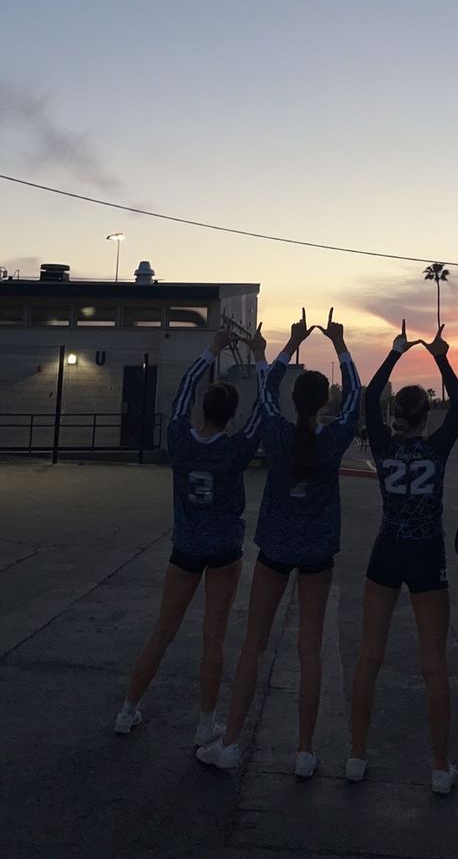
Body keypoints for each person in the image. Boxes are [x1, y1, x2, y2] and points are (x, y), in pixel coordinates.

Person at [197, 308, 361, 776]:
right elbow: (354, 401)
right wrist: (340, 345)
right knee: (310, 650)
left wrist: (281, 348)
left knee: (254, 644)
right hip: (317, 553)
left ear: (295, 398)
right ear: (322, 400)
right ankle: (305, 752)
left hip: (274, 549)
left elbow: (265, 390)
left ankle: (230, 742)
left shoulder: (274, 429)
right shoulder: (334, 439)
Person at [114, 325, 267, 743]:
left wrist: (210, 351)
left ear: (203, 408)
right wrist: (261, 358)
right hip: (223, 550)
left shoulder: (180, 440)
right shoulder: (235, 450)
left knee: (163, 630)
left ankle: (129, 709)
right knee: (213, 638)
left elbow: (183, 389)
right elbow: (264, 412)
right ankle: (205, 723)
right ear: (230, 415)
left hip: (185, 546)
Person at [348, 320, 458, 794]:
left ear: (397, 413)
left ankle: (356, 754)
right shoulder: (436, 448)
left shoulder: (382, 444)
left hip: (386, 548)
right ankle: (439, 767)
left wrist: (395, 352)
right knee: (433, 662)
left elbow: (367, 395)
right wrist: (440, 355)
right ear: (426, 416)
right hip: (427, 555)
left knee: (369, 655)